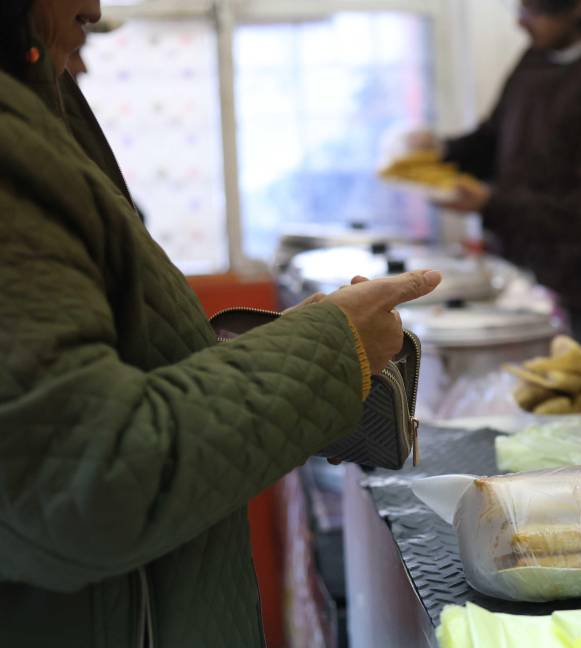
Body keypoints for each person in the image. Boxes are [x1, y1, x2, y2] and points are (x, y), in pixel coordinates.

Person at [0, 2, 441, 646]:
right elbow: (87, 478)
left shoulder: (41, 111)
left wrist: (290, 344)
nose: (94, 8)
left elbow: (116, 373)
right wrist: (330, 347)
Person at [413, 0, 581, 365]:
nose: (521, 22)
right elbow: (493, 139)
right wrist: (440, 150)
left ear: (580, 6)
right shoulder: (535, 58)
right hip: (521, 282)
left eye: (534, 11)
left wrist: (491, 202)